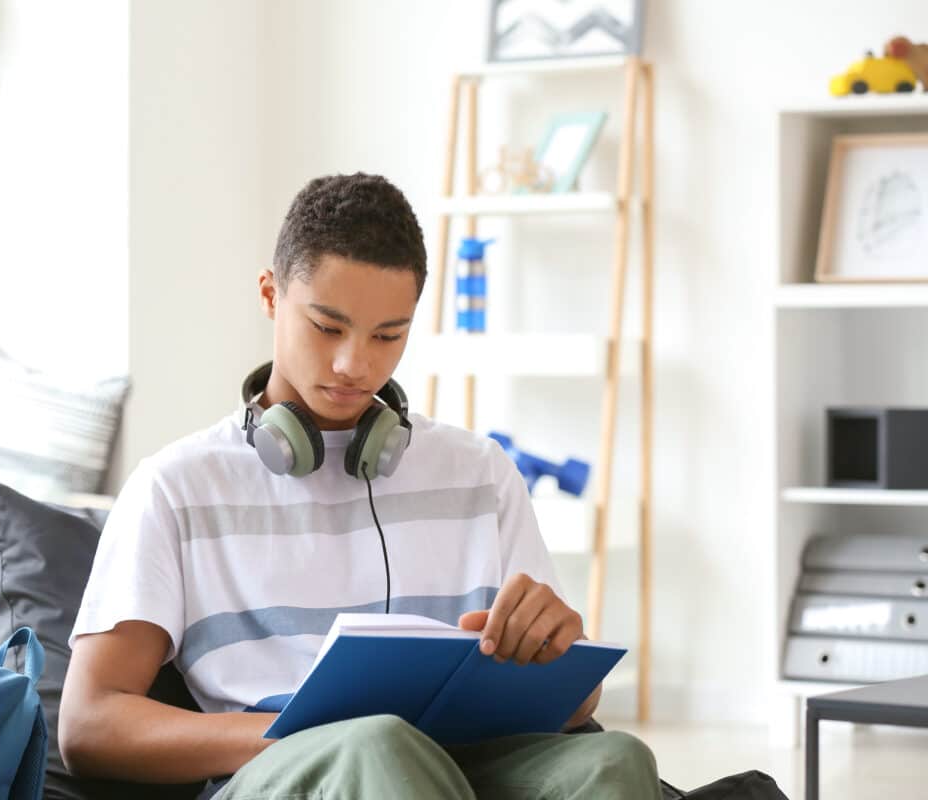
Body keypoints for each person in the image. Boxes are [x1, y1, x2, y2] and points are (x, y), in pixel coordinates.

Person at [58, 173, 661, 799]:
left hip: (467, 760)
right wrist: (287, 734)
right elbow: (90, 723)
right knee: (378, 747)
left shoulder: (481, 473)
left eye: (387, 336)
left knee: (612, 759)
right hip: (280, 769)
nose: (356, 365)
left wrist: (558, 654)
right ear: (270, 295)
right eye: (327, 328)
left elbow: (573, 705)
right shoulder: (175, 488)